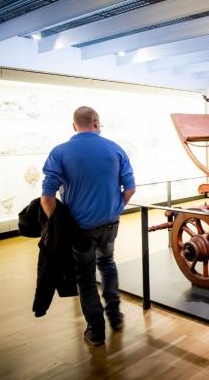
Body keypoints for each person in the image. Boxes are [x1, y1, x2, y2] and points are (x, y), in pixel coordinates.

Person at [41, 106, 136, 346]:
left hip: (79, 229)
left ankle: (96, 331)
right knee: (107, 263)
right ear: (96, 122)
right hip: (110, 223)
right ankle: (115, 315)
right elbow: (130, 188)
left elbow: (47, 197)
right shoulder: (115, 148)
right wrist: (116, 208)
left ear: (74, 125)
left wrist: (57, 224)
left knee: (85, 276)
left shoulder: (60, 152)